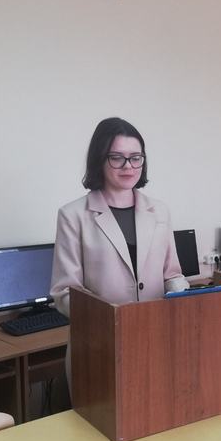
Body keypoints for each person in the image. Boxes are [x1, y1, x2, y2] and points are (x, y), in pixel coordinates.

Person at [51, 117, 188, 318]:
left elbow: (172, 275)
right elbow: (65, 292)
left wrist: (186, 298)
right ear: (99, 159)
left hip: (156, 326)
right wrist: (110, 316)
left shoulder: (160, 211)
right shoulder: (72, 215)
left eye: (135, 157)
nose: (128, 166)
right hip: (102, 331)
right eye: (116, 157)